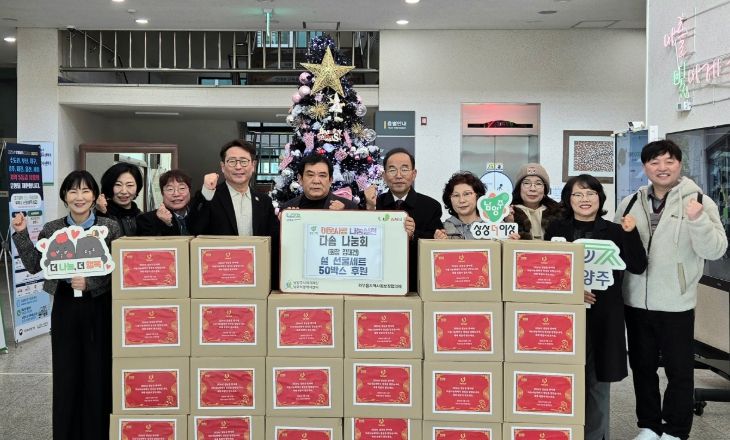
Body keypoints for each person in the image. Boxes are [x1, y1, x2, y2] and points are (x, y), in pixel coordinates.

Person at [615, 140, 727, 440]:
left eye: (668, 161)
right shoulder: (630, 202)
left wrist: (698, 220)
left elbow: (715, 250)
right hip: (635, 301)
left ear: (679, 164)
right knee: (642, 368)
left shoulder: (700, 201)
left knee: (679, 371)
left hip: (676, 303)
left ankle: (675, 431)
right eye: (654, 162)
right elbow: (618, 249)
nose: (662, 168)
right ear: (644, 167)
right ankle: (649, 426)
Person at [11, 170, 121, 440]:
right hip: (65, 307)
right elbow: (34, 265)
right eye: (73, 191)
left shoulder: (110, 228)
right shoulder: (52, 229)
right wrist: (21, 233)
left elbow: (120, 271)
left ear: (94, 196)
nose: (79, 197)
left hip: (99, 307)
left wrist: (91, 283)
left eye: (85, 191)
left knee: (97, 371)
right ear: (64, 196)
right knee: (66, 372)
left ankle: (98, 433)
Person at [545, 174, 647, 440]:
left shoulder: (615, 231)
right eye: (577, 194)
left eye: (590, 193)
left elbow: (638, 266)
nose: (584, 199)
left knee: (597, 383)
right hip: (564, 317)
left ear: (600, 198)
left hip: (603, 317)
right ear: (568, 199)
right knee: (562, 380)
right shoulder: (556, 230)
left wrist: (631, 233)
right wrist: (571, 290)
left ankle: (595, 436)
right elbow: (545, 272)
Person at [364, 147, 442, 290]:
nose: (399, 175)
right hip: (378, 282)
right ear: (384, 176)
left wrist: (413, 235)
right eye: (392, 170)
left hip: (417, 284)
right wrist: (370, 209)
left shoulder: (431, 206)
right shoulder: (374, 203)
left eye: (404, 169)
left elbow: (437, 244)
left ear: (414, 174)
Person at [187, 139, 279, 237]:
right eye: (232, 161)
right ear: (223, 166)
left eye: (244, 161)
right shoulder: (210, 196)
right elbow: (193, 229)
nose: (238, 167)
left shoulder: (264, 201)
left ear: (253, 166)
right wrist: (206, 193)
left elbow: (273, 237)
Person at [281, 154, 359, 210]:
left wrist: (345, 217)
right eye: (310, 175)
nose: (316, 181)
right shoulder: (287, 209)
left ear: (330, 180)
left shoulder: (348, 207)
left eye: (322, 175)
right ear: (300, 179)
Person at [509, 163, 562, 240]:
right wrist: (509, 223)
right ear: (519, 188)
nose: (532, 189)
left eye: (538, 184)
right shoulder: (507, 213)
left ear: (545, 190)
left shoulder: (558, 213)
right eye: (527, 183)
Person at [136, 169, 192, 236]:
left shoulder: (199, 216)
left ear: (189, 191)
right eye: (170, 189)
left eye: (182, 188)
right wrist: (166, 223)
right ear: (162, 193)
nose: (176, 194)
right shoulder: (146, 220)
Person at [434, 171, 486, 240]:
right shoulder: (442, 231)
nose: (461, 200)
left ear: (478, 196)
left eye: (467, 194)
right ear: (449, 199)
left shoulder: (494, 227)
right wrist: (437, 243)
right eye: (456, 195)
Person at [97, 162, 143, 236]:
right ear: (109, 186)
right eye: (118, 185)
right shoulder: (97, 215)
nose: (124, 191)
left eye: (130, 185)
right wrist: (102, 214)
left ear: (137, 188)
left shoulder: (142, 218)